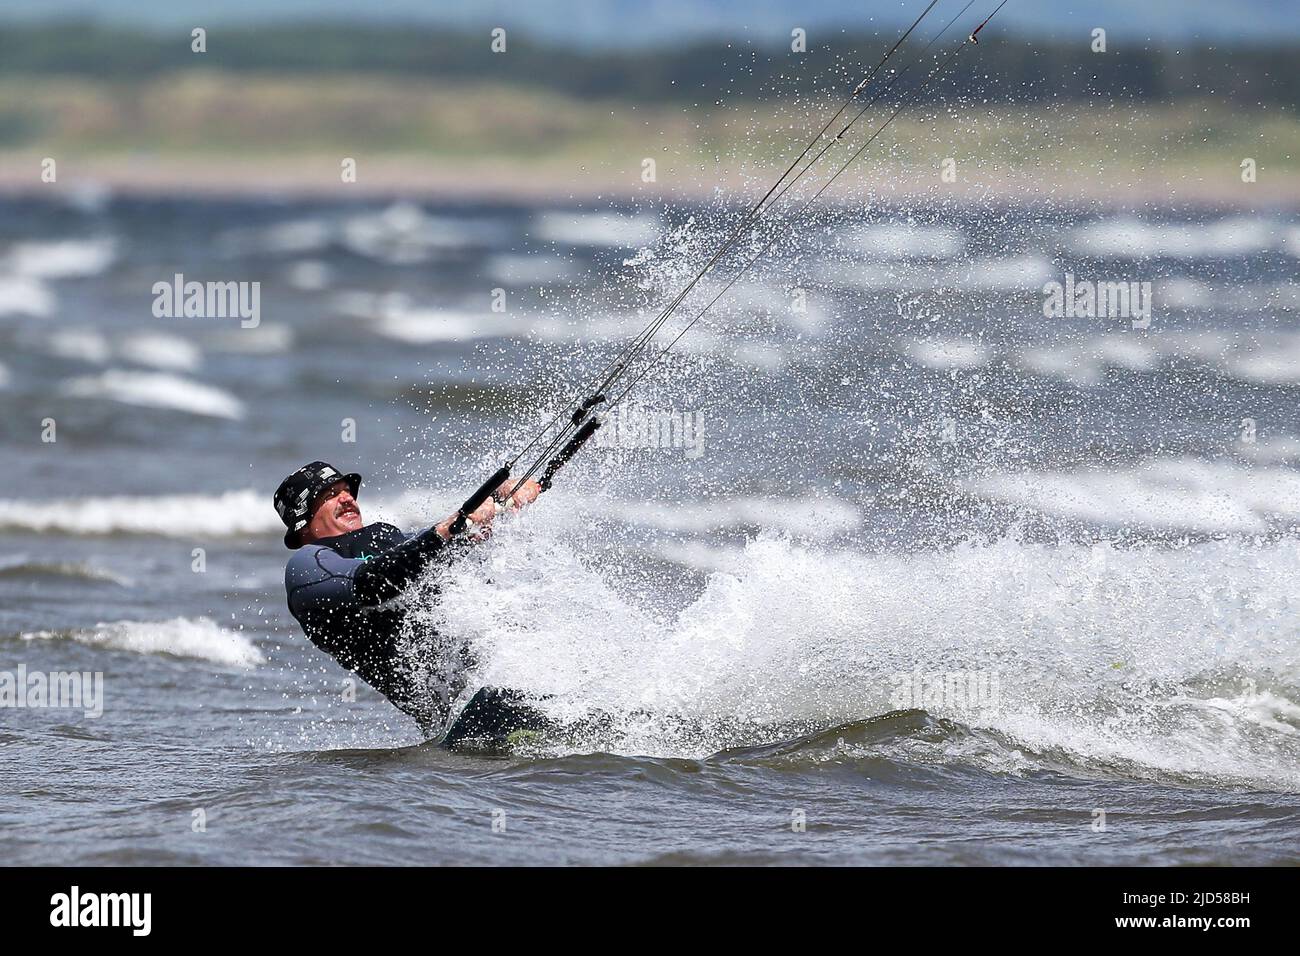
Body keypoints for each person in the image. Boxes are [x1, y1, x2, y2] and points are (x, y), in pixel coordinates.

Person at [273, 461, 540, 736]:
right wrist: (444, 532)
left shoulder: (386, 537)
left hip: (486, 674)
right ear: (302, 520)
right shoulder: (306, 567)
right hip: (452, 708)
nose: (347, 499)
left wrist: (503, 499)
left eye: (347, 491)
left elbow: (439, 550)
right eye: (329, 495)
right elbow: (373, 584)